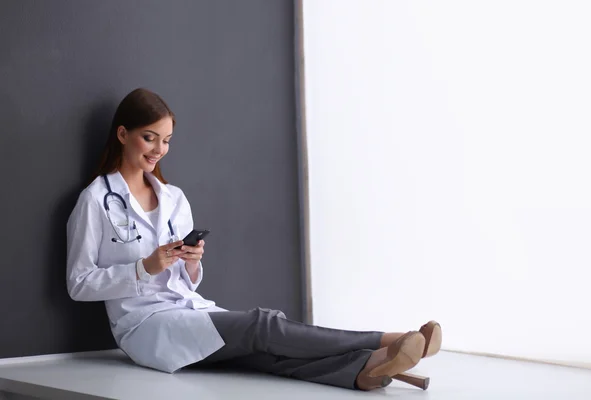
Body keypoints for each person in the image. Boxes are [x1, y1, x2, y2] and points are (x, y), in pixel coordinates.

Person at [66, 88, 442, 391]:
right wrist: (142, 268)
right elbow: (78, 283)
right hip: (144, 327)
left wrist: (192, 260)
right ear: (122, 134)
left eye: (166, 140)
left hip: (188, 309)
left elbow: (185, 280)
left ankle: (365, 370)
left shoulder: (173, 197)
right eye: (149, 138)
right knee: (262, 326)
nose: (158, 150)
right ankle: (386, 340)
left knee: (262, 355)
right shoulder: (95, 201)